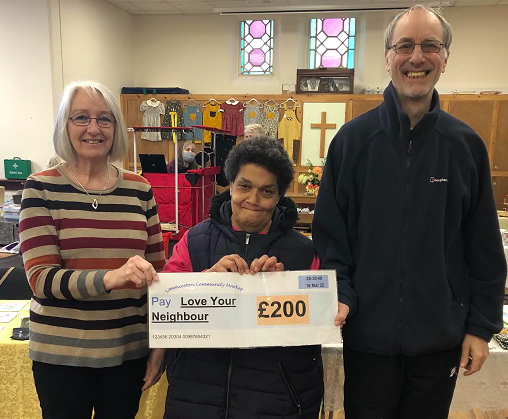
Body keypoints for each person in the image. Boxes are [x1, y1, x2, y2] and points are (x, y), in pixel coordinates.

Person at [312, 5, 506, 419]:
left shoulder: (466, 147)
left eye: (430, 45)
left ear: (445, 58)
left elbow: (485, 248)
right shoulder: (352, 143)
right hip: (367, 339)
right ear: (387, 57)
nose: (417, 57)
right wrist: (342, 292)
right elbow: (331, 238)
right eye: (404, 45)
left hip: (440, 342)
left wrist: (479, 326)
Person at [19, 81, 167, 419]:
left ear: (116, 128)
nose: (93, 128)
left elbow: (160, 277)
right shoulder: (40, 187)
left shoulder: (139, 189)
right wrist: (111, 278)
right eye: (81, 117)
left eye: (105, 119)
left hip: (127, 352)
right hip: (62, 356)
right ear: (64, 126)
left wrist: (160, 345)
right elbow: (42, 279)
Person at [157, 136, 324, 419]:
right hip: (196, 398)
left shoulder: (305, 252)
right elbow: (164, 306)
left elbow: (321, 320)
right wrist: (207, 281)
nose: (253, 200)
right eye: (244, 186)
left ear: (280, 195)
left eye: (266, 191)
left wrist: (284, 291)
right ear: (231, 184)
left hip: (277, 403)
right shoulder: (193, 241)